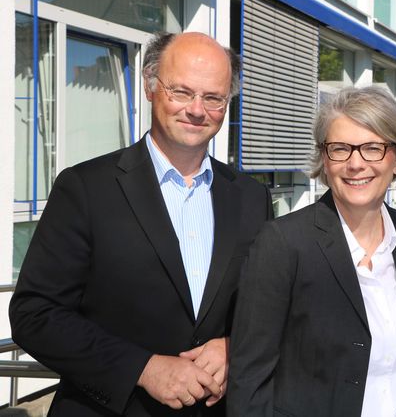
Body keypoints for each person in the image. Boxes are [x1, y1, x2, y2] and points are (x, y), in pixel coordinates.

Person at [9, 32, 273, 416]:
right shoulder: (86, 187)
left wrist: (235, 345)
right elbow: (35, 313)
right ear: (150, 87)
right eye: (181, 92)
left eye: (213, 98)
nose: (197, 110)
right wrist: (143, 367)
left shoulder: (252, 197)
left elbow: (268, 306)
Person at [227, 86, 396, 416]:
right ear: (325, 160)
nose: (355, 164)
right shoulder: (284, 244)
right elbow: (249, 382)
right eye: (340, 149)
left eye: (372, 148)